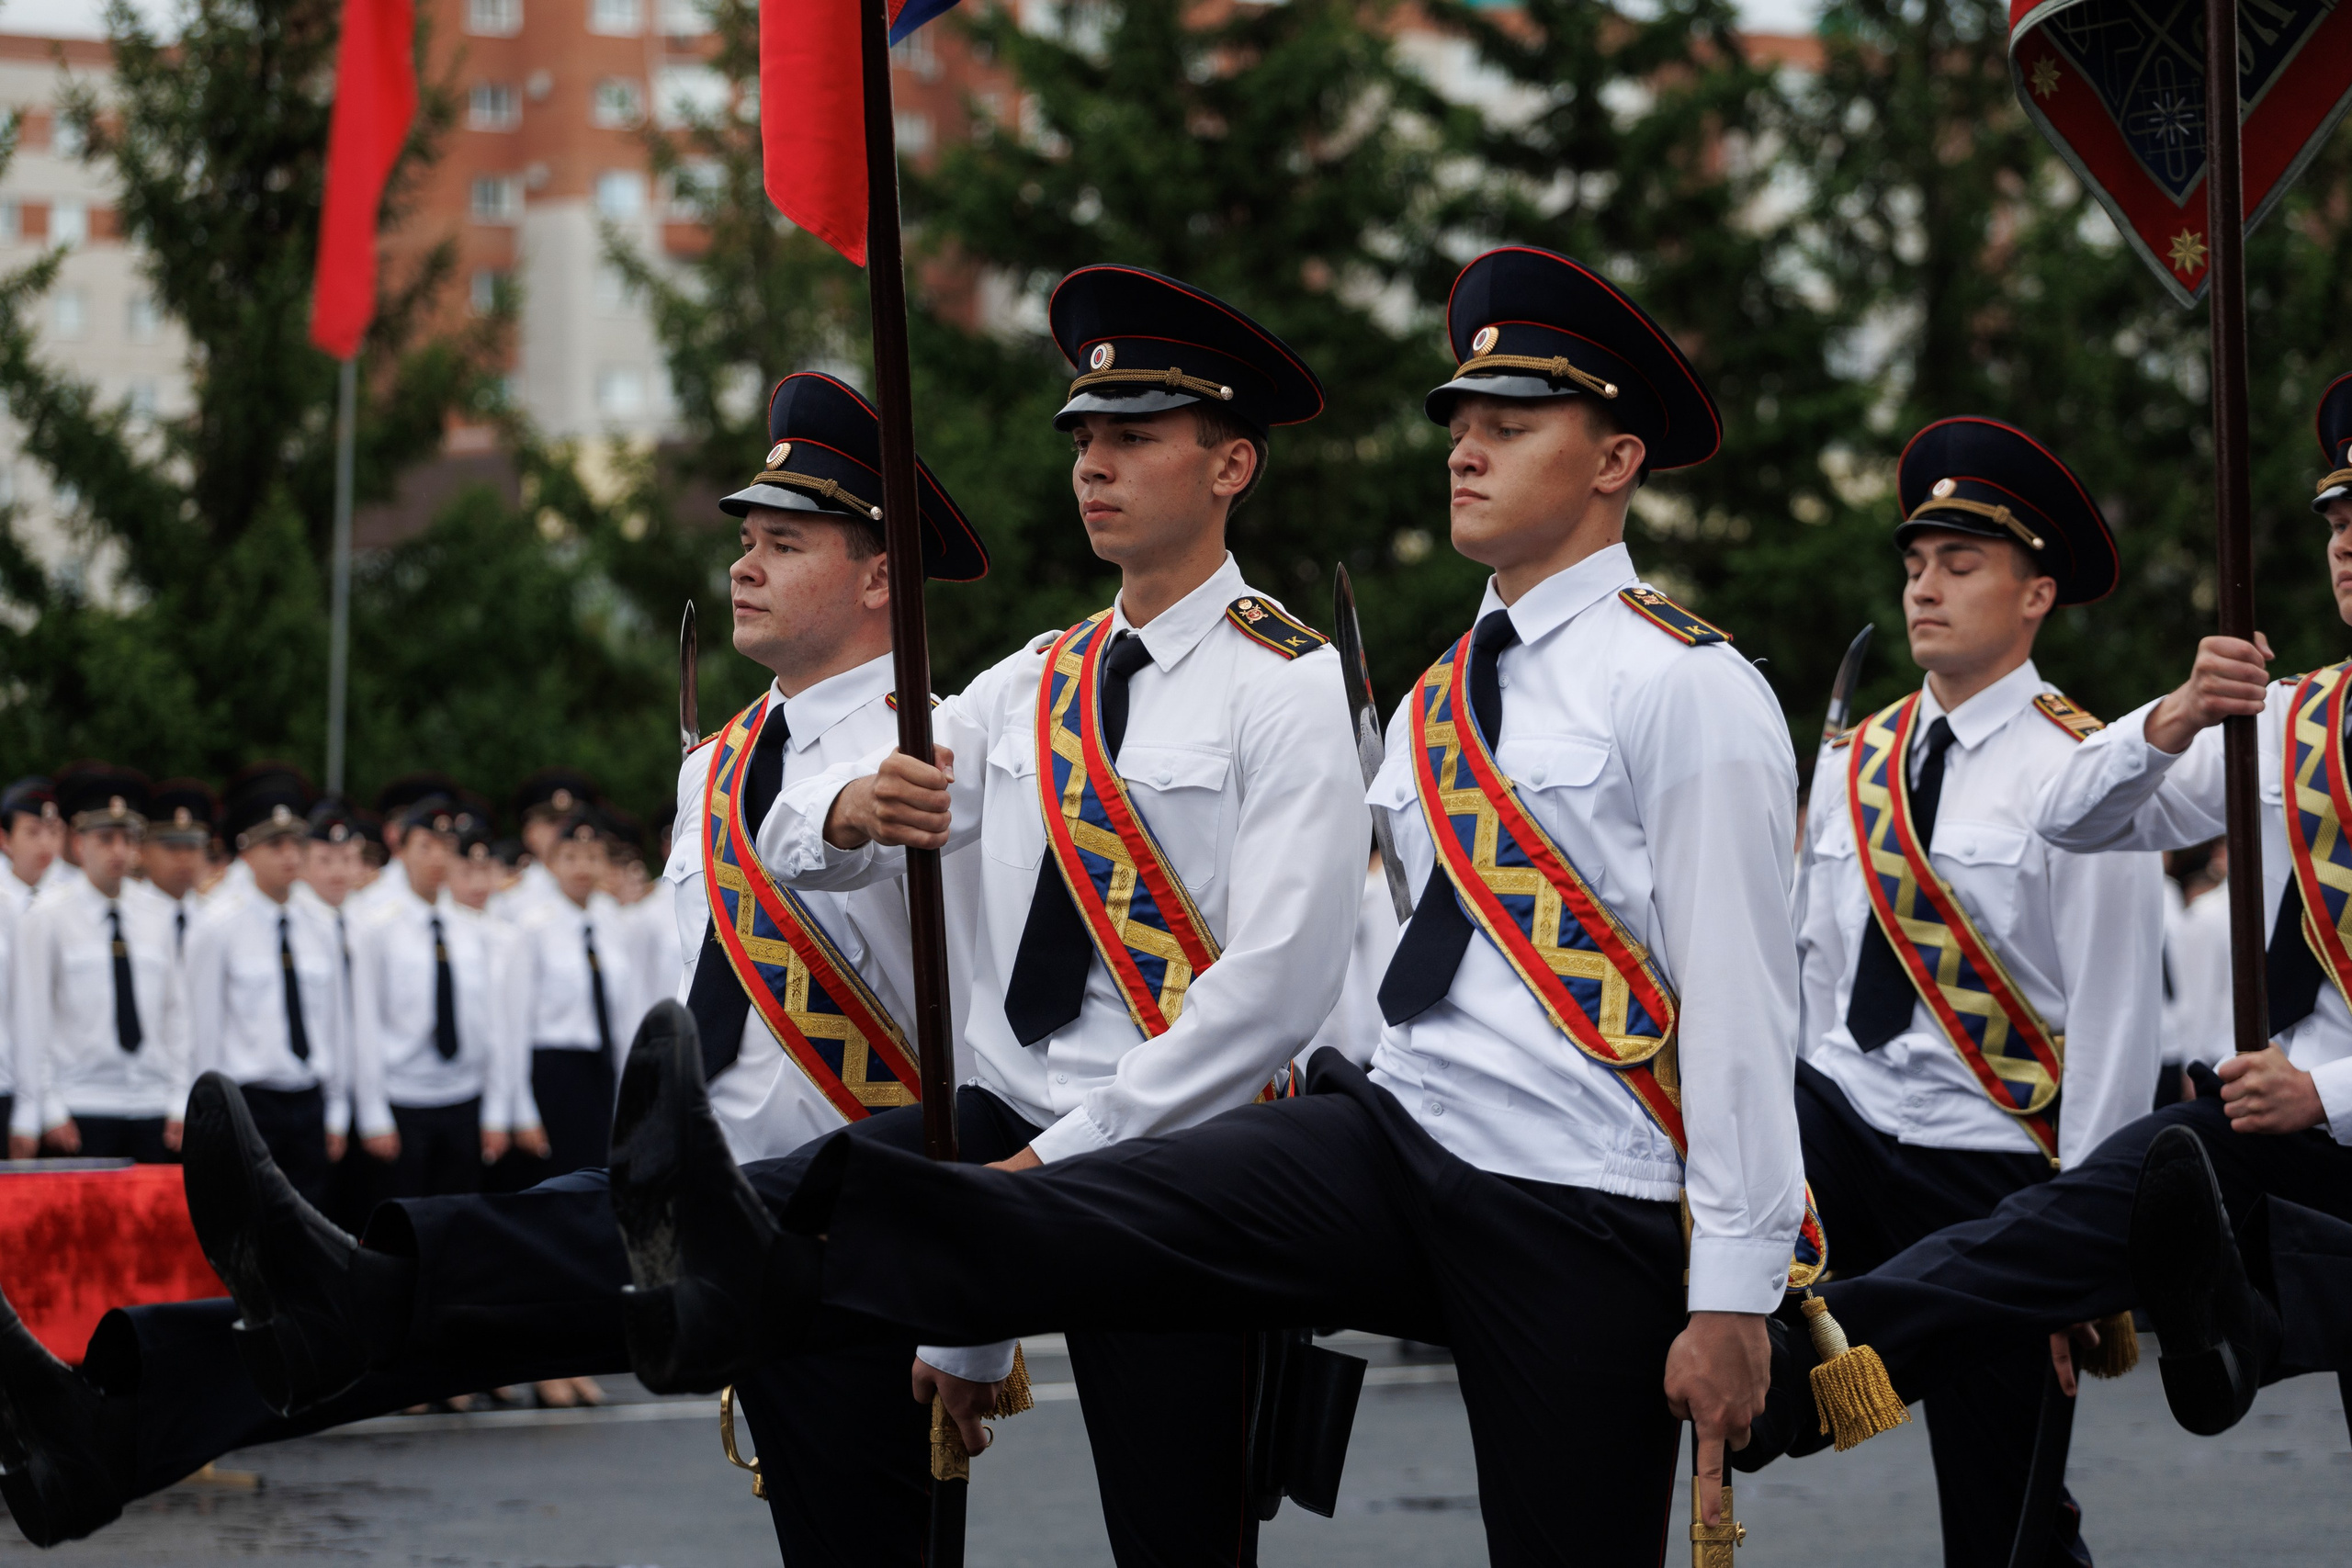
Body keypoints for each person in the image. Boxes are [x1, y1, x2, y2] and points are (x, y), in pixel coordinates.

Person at [606, 246, 1804, 1568]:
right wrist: (837, 811)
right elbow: (849, 810)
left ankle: (804, 1238)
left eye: (1508, 427)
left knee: (1548, 1537)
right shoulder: (1424, 704)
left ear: (1617, 459)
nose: (1464, 453)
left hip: (1573, 1188)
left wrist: (1737, 1290)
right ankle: (690, 1252)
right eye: (1460, 427)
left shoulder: (1682, 685)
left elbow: (1745, 1000)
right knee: (1069, 1188)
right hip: (1400, 1140)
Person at [0, 370, 992, 1563]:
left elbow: (964, 1007)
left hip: (852, 1220)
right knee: (421, 1314)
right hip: (714, 1194)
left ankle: (151, 1403)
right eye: (744, 539)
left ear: (882, 575)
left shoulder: (941, 741)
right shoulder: (718, 763)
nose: (743, 564)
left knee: (867, 1541)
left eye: (785, 542)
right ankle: (103, 1420)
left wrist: (970, 1312)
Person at [1731, 372, 2352, 1470]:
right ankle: (1811, 1365)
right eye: (2339, 522)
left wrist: (2322, 1088)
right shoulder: (2296, 720)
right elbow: (2072, 813)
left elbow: (2111, 1008)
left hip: (2276, 1114)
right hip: (2277, 1134)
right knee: (2103, 1205)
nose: (2345, 544)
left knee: (2080, 1234)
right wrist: (2169, 717)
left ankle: (2247, 1315)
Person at [1782, 417, 2161, 1565]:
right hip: (1836, 1136)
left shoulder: (2083, 772)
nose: (1924, 591)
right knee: (1699, 1347)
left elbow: (2112, 1024)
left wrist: (2078, 1252)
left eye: (1960, 565)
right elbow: (1805, 969)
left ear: (2035, 594)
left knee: (2002, 1519)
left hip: (1994, 1173)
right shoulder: (1855, 756)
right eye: (1913, 566)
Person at [178, 764, 390, 1205]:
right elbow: (203, 1032)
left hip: (307, 1098)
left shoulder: (320, 924)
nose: (290, 856)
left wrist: (335, 1112)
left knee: (311, 1225)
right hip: (249, 1102)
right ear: (246, 850)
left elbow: (334, 1024)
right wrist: (212, 1120)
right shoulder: (217, 924)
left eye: (296, 842)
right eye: (275, 845)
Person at [9, 764, 187, 1163]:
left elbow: (176, 1014)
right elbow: (32, 1018)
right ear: (78, 844)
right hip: (81, 1104)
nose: (119, 851)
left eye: (128, 839)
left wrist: (179, 1098)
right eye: (106, 839)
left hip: (152, 1104)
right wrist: (47, 1106)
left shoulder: (158, 914)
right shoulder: (47, 915)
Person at [347, 795, 510, 1198]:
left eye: (447, 847)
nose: (437, 858)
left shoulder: (472, 928)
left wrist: (495, 1109)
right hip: (403, 1098)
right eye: (426, 847)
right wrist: (372, 1115)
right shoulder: (375, 926)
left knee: (459, 1220)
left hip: (463, 1095)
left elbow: (490, 1023)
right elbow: (364, 1021)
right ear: (400, 851)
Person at [499, 807, 641, 1184]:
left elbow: (626, 1012)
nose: (582, 867)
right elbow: (513, 1025)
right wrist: (521, 1111)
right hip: (553, 1073)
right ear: (551, 864)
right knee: (558, 1183)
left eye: (593, 857)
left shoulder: (614, 921)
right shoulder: (533, 927)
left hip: (603, 1068)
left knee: (601, 1181)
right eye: (571, 857)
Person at [491, 769, 601, 919]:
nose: (565, 831)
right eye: (553, 821)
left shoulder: (608, 894)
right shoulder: (510, 898)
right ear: (529, 832)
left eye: (574, 821)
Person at [138, 778, 218, 955]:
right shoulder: (130, 914)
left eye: (192, 847)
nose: (184, 857)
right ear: (143, 851)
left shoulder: (215, 916)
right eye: (171, 847)